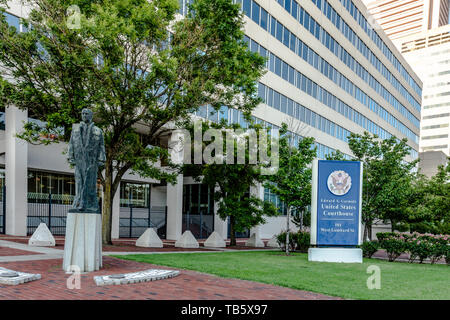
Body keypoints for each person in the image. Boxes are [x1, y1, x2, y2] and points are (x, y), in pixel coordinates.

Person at [67, 108, 106, 213]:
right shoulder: (75, 128)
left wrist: (102, 158)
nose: (84, 115)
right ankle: (79, 201)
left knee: (91, 182)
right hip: (79, 159)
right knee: (79, 181)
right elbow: (71, 143)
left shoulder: (98, 130)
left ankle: (89, 203)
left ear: (91, 116)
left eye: (86, 113)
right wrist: (70, 156)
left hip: (92, 160)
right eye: (83, 113)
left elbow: (101, 146)